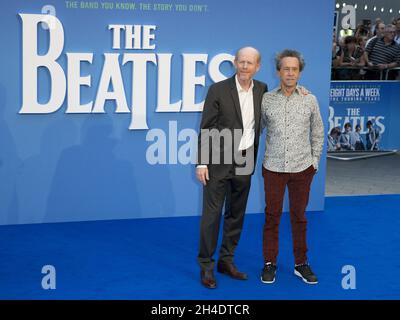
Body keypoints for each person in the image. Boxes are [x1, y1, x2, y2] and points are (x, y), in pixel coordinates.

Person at [196, 47, 267, 289]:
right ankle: (206, 265)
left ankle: (226, 261)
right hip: (217, 160)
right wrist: (202, 162)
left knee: (236, 213)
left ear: (257, 66)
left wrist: (299, 91)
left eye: (250, 63)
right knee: (212, 216)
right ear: (235, 63)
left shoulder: (263, 90)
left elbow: (274, 111)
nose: (245, 66)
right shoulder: (218, 89)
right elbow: (206, 127)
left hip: (246, 159)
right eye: (241, 62)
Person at [260, 49, 324, 285]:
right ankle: (269, 263)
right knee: (272, 217)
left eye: (294, 69)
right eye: (285, 68)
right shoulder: (267, 99)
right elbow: (257, 128)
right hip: (273, 167)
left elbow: (318, 132)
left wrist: (314, 160)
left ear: (299, 72)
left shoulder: (310, 99)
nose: (289, 73)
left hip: (302, 169)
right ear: (278, 71)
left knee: (299, 217)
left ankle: (301, 263)